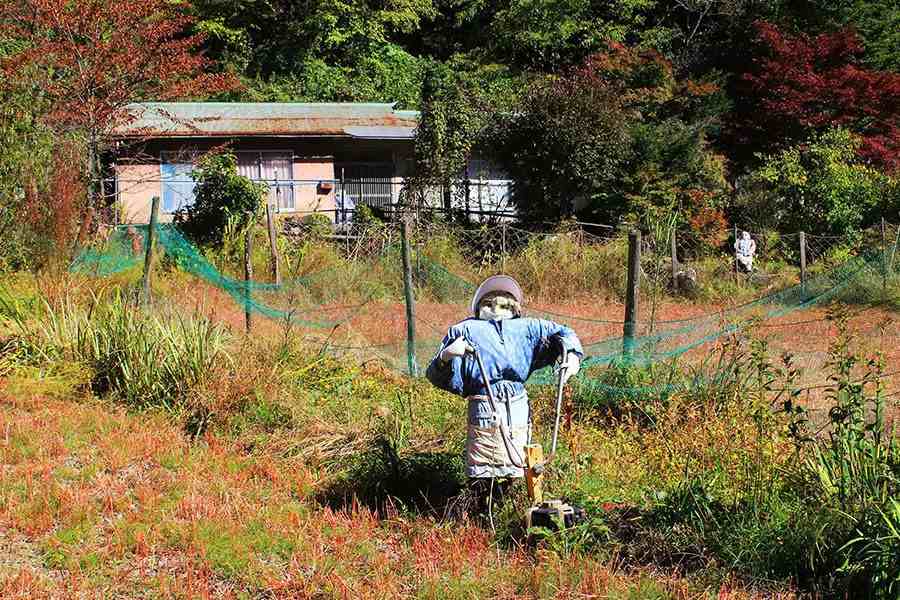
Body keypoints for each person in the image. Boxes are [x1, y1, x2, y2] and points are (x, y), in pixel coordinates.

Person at [426, 275, 583, 495]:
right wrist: (446, 356)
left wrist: (573, 356)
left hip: (517, 403)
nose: (495, 310)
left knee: (520, 457)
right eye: (488, 305)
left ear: (514, 308)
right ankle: (481, 505)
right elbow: (435, 373)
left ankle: (519, 500)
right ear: (479, 307)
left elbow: (564, 332)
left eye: (502, 305)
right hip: (484, 403)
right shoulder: (465, 330)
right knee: (484, 460)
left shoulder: (529, 328)